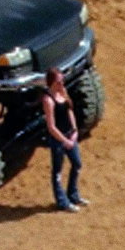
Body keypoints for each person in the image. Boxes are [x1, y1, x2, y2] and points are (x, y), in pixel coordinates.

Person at [41, 67, 86, 212]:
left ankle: (73, 195)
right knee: (57, 171)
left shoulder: (63, 92)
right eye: (59, 81)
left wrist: (74, 131)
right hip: (58, 139)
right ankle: (62, 201)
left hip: (69, 136)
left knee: (77, 164)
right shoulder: (48, 100)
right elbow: (51, 126)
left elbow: (69, 110)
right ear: (52, 83)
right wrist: (64, 140)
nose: (62, 84)